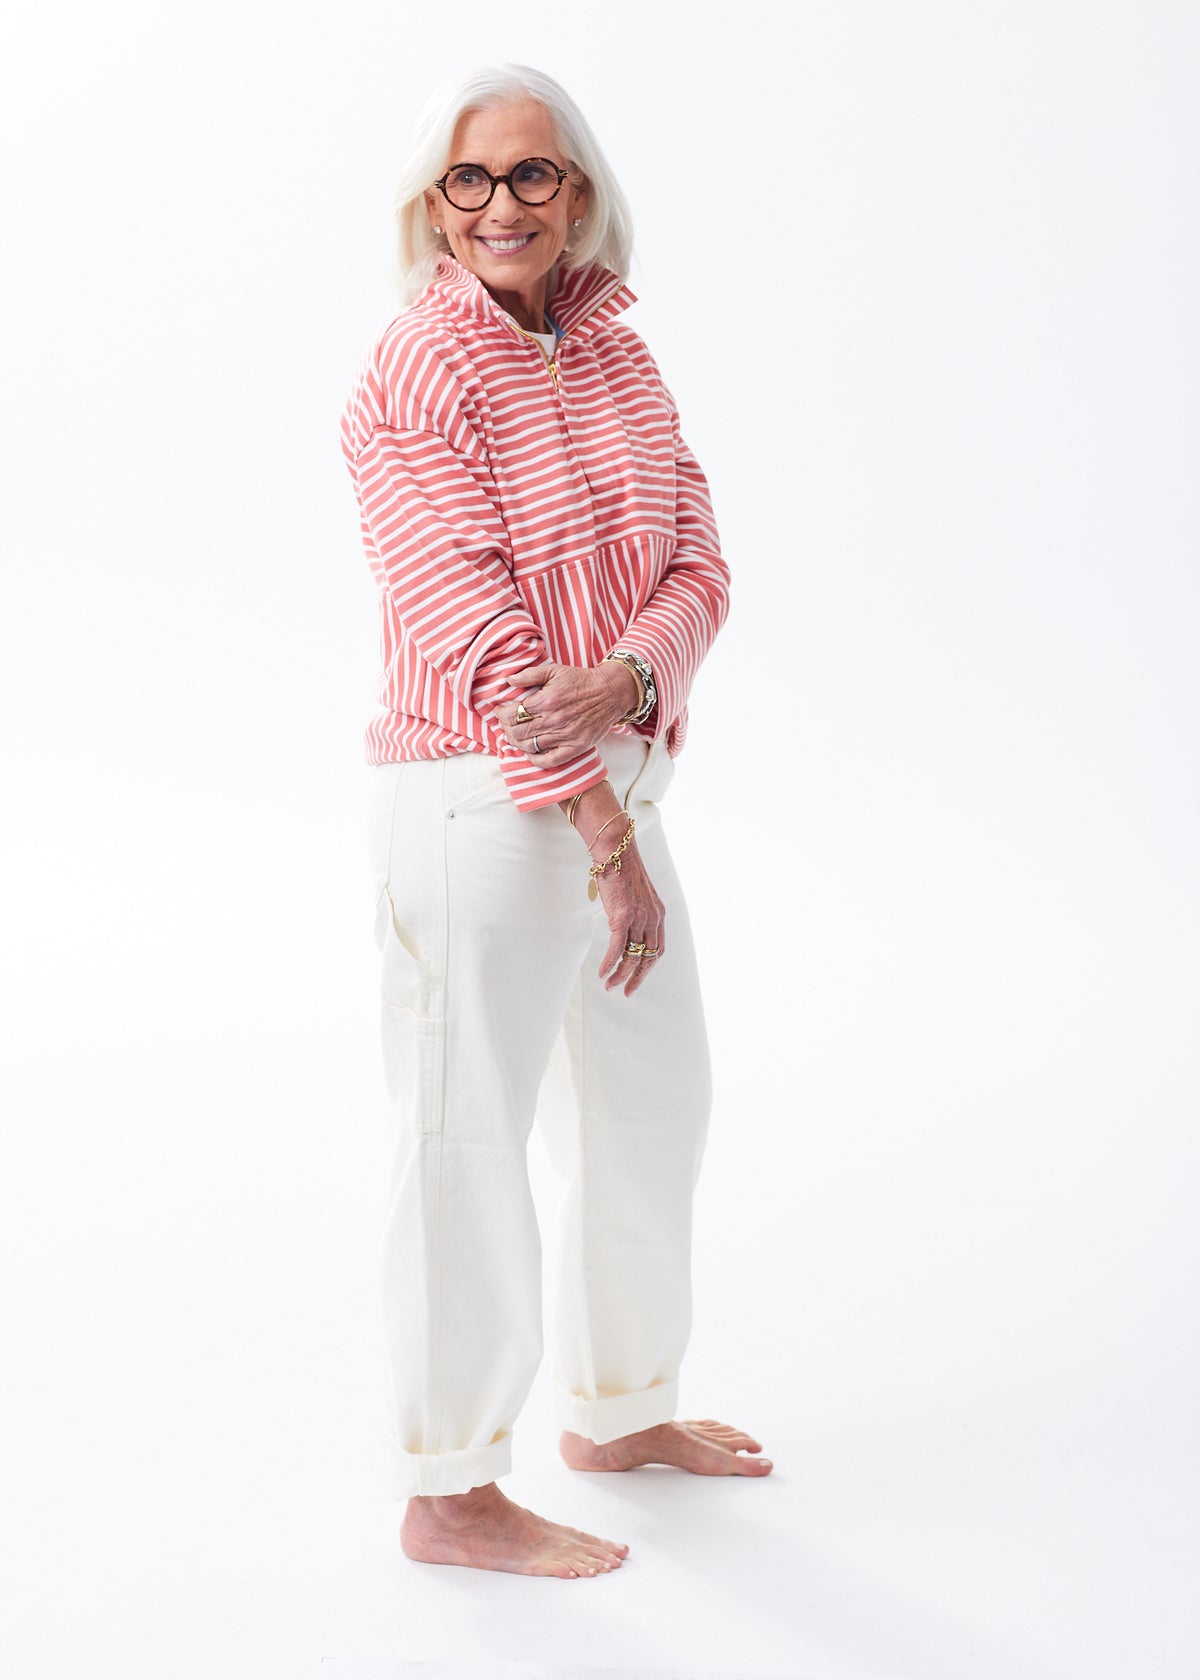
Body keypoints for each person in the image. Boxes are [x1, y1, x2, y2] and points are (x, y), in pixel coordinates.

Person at [340, 63, 771, 1581]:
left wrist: (631, 677)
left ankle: (620, 1409)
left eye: (532, 174)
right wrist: (604, 838)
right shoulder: (416, 370)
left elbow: (702, 560)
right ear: (434, 202)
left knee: (652, 1108)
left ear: (578, 191)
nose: (502, 205)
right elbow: (477, 638)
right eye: (470, 179)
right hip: (481, 809)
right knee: (466, 1143)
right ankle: (451, 1491)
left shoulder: (616, 352)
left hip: (616, 797)